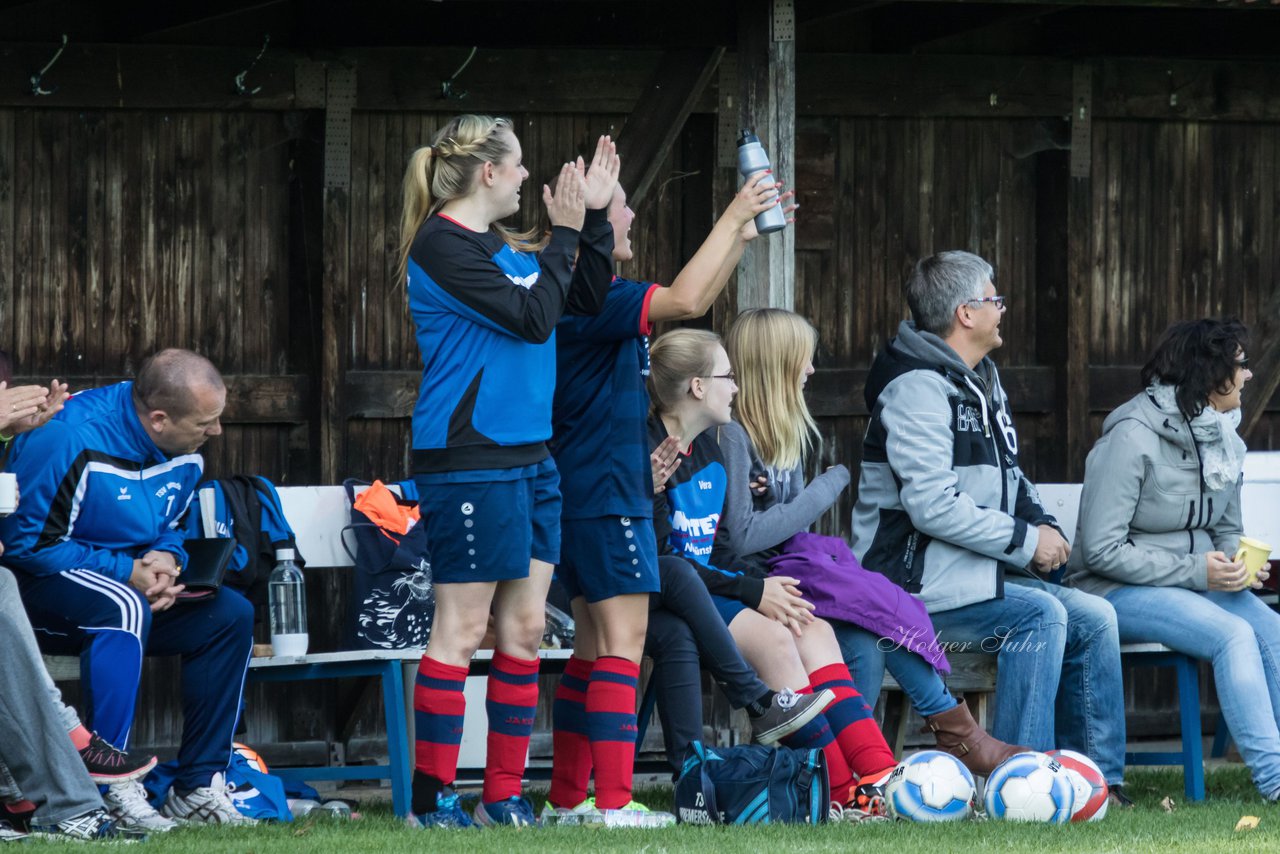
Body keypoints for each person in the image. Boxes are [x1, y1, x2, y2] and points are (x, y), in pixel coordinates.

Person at [546, 173, 829, 810]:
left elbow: (690, 298)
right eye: (620, 209)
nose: (632, 216)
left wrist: (743, 236)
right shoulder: (597, 298)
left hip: (595, 489)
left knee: (602, 645)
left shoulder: (589, 292)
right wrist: (733, 215)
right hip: (602, 492)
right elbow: (686, 298)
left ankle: (576, 801)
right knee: (616, 644)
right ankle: (613, 804)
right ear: (594, 229)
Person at [398, 115, 616, 828]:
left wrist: (598, 222)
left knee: (524, 631)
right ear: (487, 172)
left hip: (531, 458)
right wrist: (563, 235)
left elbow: (575, 303)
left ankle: (502, 796)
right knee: (461, 629)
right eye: (519, 165)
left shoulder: (502, 245)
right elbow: (529, 319)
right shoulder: (439, 245)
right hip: (469, 460)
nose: (529, 176)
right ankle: (432, 800)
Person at [851, 250, 1129, 800]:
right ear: (965, 313)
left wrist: (1046, 529)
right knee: (1040, 616)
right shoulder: (916, 388)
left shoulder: (982, 379)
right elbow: (932, 505)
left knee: (1095, 617)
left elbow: (1011, 479)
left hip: (970, 577)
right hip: (909, 592)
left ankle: (1097, 785)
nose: (1003, 308)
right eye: (994, 298)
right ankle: (1022, 787)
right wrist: (1027, 545)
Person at [719, 307, 1022, 775]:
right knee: (873, 608)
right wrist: (826, 488)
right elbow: (744, 538)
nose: (812, 370)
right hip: (753, 584)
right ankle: (947, 733)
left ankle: (859, 766)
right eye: (804, 359)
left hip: (785, 574)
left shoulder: (784, 437)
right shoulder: (733, 438)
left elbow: (783, 526)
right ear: (776, 366)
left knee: (865, 631)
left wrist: (791, 505)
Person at [0, 349, 256, 831]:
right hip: (38, 599)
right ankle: (107, 787)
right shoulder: (67, 436)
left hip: (128, 586)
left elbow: (172, 520)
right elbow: (23, 546)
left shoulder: (186, 441)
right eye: (207, 422)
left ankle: (199, 786)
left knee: (229, 614)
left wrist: (168, 558)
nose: (216, 432)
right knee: (123, 606)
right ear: (159, 419)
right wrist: (126, 572)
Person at [648, 328, 898, 815]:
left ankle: (880, 774)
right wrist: (752, 589)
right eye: (728, 376)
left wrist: (764, 588)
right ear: (698, 387)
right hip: (675, 597)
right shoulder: (653, 452)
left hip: (713, 585)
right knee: (777, 640)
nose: (735, 388)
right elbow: (667, 563)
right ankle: (839, 793)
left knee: (810, 623)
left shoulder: (711, 451)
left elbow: (718, 549)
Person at [1067, 318, 1280, 801]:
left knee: (1271, 630)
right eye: (1241, 366)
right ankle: (1275, 782)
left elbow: (1225, 528)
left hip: (1193, 583)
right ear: (1210, 373)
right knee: (1233, 635)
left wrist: (1234, 564)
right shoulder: (1131, 438)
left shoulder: (1224, 436)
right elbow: (1101, 550)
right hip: (1113, 592)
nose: (1248, 376)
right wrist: (1196, 570)